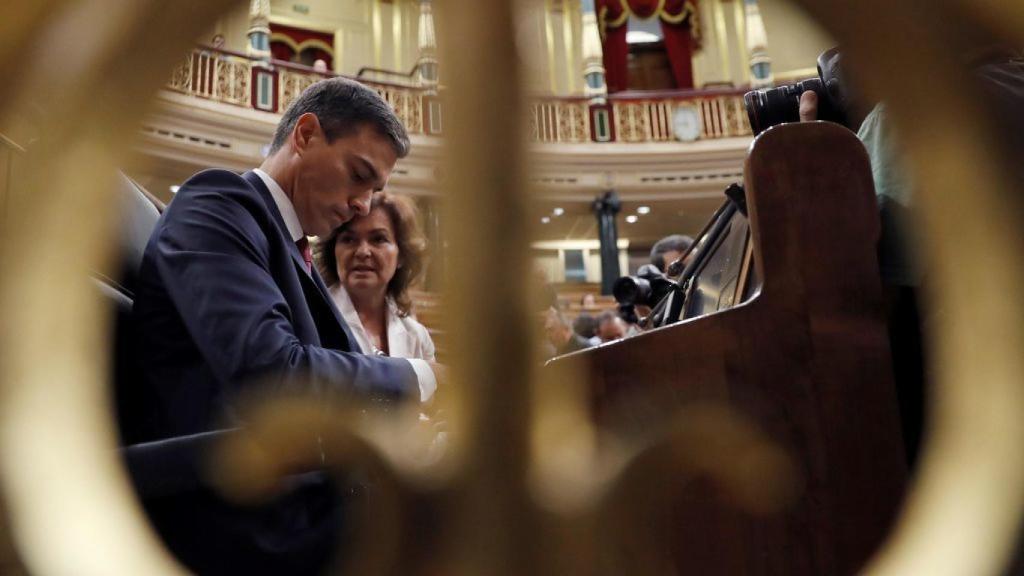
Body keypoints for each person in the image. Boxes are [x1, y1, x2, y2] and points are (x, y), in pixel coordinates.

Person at [129, 77, 438, 575]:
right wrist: (424, 378)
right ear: (306, 135)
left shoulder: (286, 244)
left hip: (294, 487)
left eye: (375, 189)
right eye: (358, 175)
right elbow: (274, 374)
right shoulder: (219, 203)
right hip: (239, 506)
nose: (362, 202)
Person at [315, 191, 435, 361]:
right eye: (349, 239)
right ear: (333, 252)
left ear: (401, 255)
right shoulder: (310, 320)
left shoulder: (417, 337)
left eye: (378, 239)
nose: (363, 252)